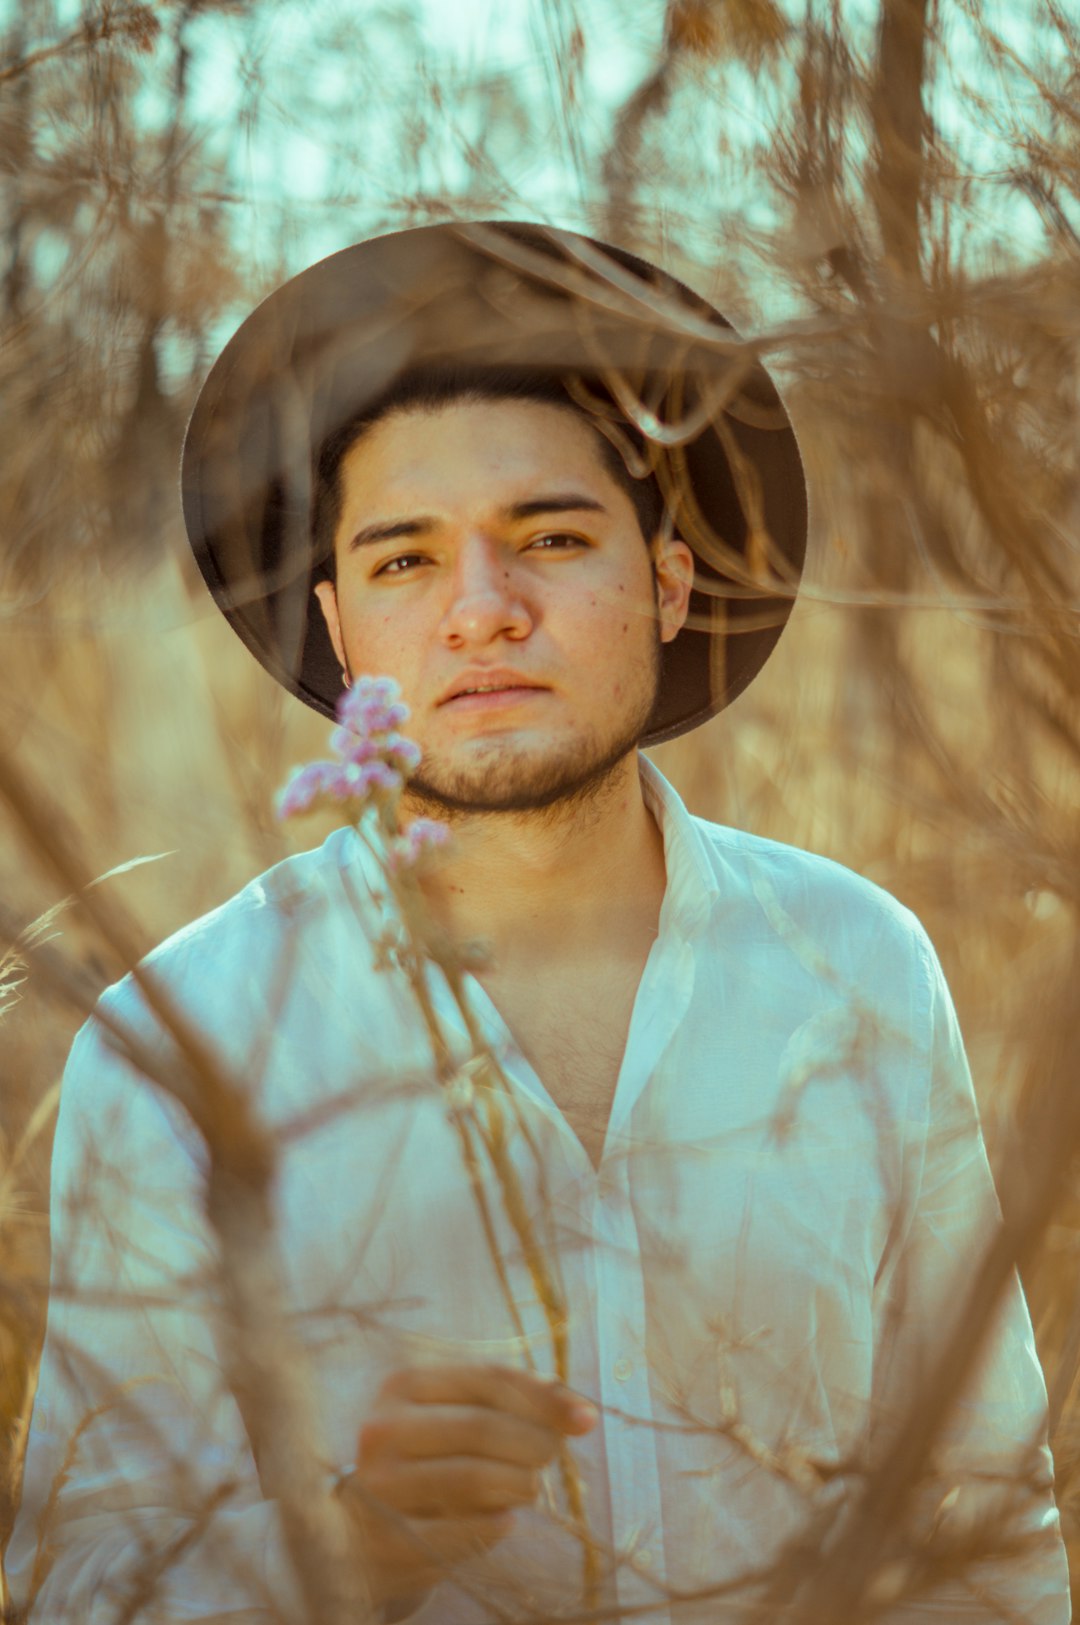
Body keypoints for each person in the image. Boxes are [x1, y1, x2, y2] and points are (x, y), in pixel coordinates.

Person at [6, 223, 1071, 1623]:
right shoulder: (179, 1038)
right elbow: (82, 1574)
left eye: (551, 538)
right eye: (405, 561)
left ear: (669, 582)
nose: (483, 612)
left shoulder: (855, 965)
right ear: (338, 631)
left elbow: (986, 1512)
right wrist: (341, 1547)